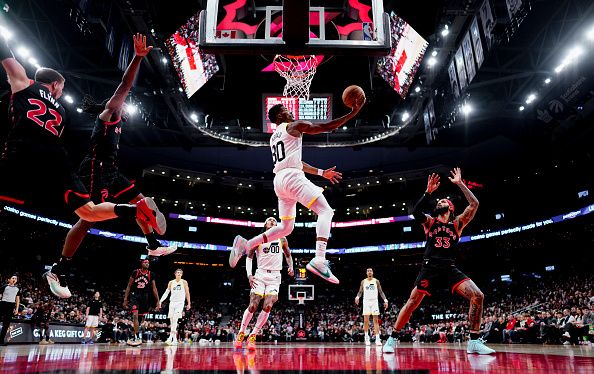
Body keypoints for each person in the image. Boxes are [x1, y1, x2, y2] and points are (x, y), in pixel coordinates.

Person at [0, 37, 166, 299]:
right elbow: (123, 87)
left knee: (101, 211)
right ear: (55, 84)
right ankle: (135, 218)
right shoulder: (84, 112)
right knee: (87, 214)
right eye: (62, 88)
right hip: (75, 163)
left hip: (30, 154)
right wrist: (137, 57)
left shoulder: (29, 89)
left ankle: (146, 228)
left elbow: (6, 59)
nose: (62, 93)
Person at [61, 33, 176, 269]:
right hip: (95, 168)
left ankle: (152, 244)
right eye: (121, 101)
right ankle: (60, 266)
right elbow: (125, 85)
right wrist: (137, 58)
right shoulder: (108, 115)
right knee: (86, 220)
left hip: (112, 171)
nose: (124, 101)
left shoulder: (118, 120)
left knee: (143, 203)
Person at [229, 98, 365, 284]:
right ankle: (319, 259)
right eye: (286, 109)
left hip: (279, 181)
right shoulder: (293, 126)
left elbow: (296, 162)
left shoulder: (273, 137)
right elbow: (325, 126)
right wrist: (352, 113)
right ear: (279, 115)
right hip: (292, 178)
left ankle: (248, 244)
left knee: (286, 227)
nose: (291, 112)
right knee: (326, 211)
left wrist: (321, 173)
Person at [383, 168, 495, 355]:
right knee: (411, 303)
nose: (440, 202)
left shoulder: (457, 224)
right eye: (439, 201)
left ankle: (474, 341)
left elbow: (474, 204)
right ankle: (392, 339)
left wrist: (460, 184)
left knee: (478, 296)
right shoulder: (430, 222)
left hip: (449, 268)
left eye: (443, 201)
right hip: (430, 267)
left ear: (450, 207)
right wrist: (428, 192)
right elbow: (416, 213)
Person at [234, 217, 294, 350]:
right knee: (253, 305)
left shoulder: (282, 239)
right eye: (269, 220)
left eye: (274, 220)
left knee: (268, 306)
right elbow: (249, 257)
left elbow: (288, 255)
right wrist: (249, 275)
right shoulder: (258, 239)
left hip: (274, 276)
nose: (272, 221)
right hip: (260, 274)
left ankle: (253, 335)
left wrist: (291, 266)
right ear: (265, 224)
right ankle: (241, 332)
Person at [123, 259, 160, 346]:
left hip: (145, 297)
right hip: (135, 296)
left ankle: (133, 335)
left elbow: (154, 288)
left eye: (148, 263)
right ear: (141, 264)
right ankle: (137, 337)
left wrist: (158, 301)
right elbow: (129, 286)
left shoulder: (151, 274)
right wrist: (125, 299)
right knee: (135, 315)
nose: (147, 264)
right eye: (145, 262)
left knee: (140, 319)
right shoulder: (135, 272)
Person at [355, 268, 388, 346]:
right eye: (368, 271)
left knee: (375, 321)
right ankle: (366, 338)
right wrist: (357, 297)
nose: (369, 272)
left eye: (371, 271)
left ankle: (377, 339)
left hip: (374, 302)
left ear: (372, 272)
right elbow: (360, 292)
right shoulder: (363, 281)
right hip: (366, 301)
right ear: (366, 273)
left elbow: (381, 291)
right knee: (366, 321)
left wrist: (385, 300)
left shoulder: (376, 281)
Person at [160, 269, 191, 345]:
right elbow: (166, 293)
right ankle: (174, 339)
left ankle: (170, 338)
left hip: (180, 303)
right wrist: (160, 301)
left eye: (180, 273)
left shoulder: (184, 282)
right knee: (172, 321)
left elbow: (187, 293)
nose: (179, 273)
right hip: (172, 303)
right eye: (177, 272)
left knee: (175, 318)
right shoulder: (171, 282)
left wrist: (189, 303)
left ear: (182, 274)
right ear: (175, 274)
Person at [0, 275, 20, 345]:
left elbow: (17, 299)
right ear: (9, 280)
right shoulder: (4, 286)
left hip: (11, 306)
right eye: (13, 278)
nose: (14, 279)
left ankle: (1, 340)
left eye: (15, 278)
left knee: (6, 324)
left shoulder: (18, 288)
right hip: (3, 304)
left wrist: (16, 308)